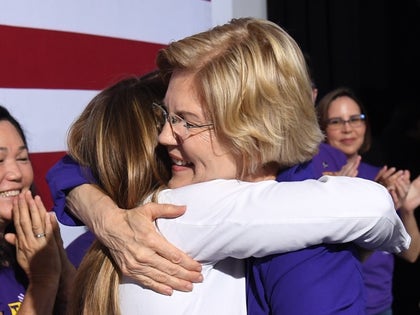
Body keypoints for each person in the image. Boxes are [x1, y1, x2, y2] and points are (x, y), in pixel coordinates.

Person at [46, 19, 409, 314]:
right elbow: (76, 165)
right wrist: (104, 215)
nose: (164, 137)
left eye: (186, 121)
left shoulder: (309, 250)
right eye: (166, 116)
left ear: (251, 129)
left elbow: (371, 209)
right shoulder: (174, 209)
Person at [316, 86, 420, 315]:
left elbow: (411, 254)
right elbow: (335, 261)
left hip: (381, 306)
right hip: (341, 306)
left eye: (355, 119)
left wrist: (405, 210)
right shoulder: (316, 179)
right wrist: (374, 205)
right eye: (336, 121)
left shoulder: (378, 174)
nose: (348, 128)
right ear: (322, 129)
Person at [0, 105, 74, 315]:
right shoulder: (41, 271)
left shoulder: (30, 252)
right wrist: (44, 280)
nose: (15, 173)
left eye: (22, 158)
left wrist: (61, 264)